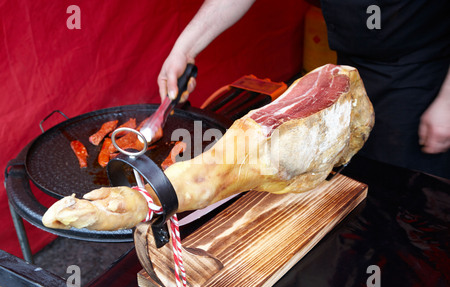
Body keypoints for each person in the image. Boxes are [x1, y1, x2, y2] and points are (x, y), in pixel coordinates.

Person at [157, 0, 450, 179]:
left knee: (407, 206)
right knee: (355, 185)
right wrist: (185, 48)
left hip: (422, 71)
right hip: (353, 66)